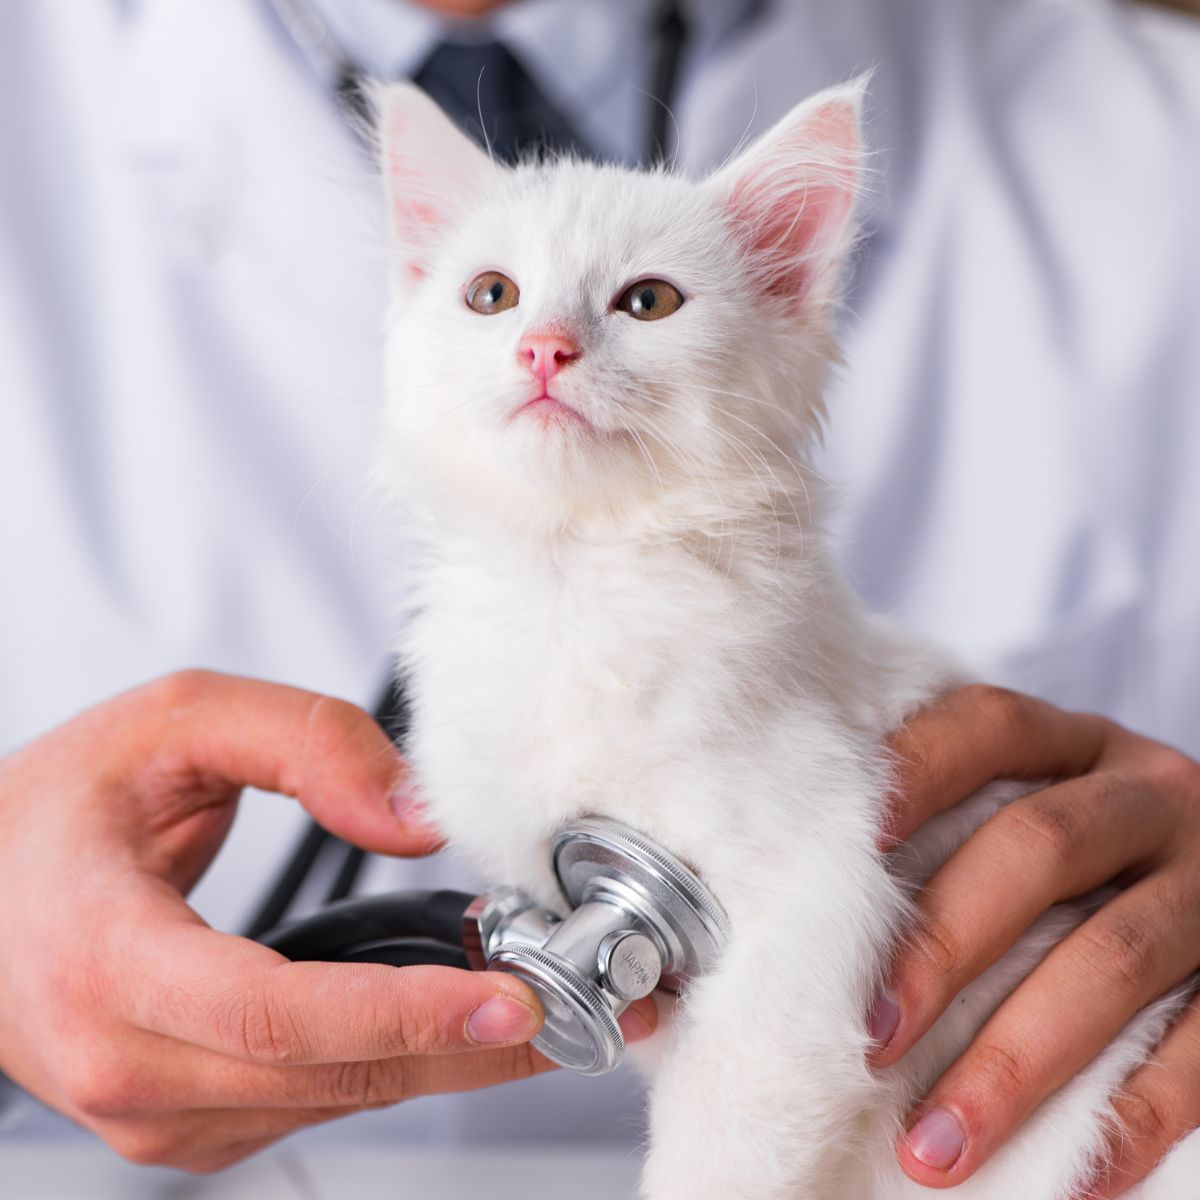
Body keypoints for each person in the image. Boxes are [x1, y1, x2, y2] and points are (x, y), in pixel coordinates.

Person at [1, 0, 1198, 1194]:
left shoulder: (1155, 133)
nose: (547, 346)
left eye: (644, 300)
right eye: (488, 297)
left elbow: (799, 970)